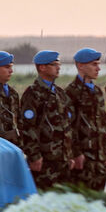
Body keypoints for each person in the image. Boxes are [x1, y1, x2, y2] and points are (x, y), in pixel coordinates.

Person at [19, 51, 72, 190]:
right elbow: (28, 127)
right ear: (42, 67)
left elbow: (67, 126)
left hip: (62, 159)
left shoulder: (60, 93)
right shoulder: (33, 93)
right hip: (45, 160)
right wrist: (34, 155)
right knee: (46, 201)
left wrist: (70, 154)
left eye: (58, 64)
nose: (58, 67)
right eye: (54, 64)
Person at [64, 48, 106, 191]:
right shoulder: (71, 92)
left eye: (98, 64)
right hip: (84, 158)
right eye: (94, 64)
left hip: (99, 158)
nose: (98, 68)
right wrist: (76, 153)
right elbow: (68, 127)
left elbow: (102, 123)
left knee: (97, 203)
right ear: (81, 66)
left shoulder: (97, 92)